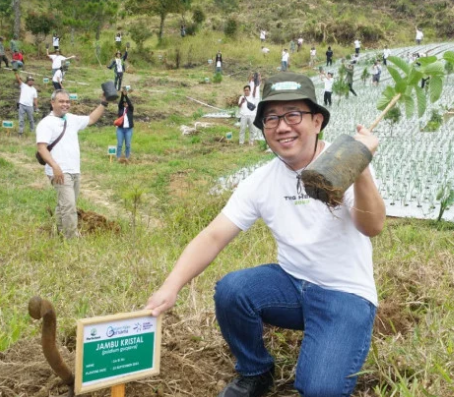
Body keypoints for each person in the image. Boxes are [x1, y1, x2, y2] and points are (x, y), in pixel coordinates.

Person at [145, 72, 384, 397]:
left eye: (293, 115)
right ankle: (255, 370)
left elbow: (373, 227)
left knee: (319, 390)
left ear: (317, 121)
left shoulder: (341, 165)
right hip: (291, 283)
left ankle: (332, 341)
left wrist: (362, 164)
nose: (282, 126)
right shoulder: (261, 181)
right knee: (233, 291)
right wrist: (170, 287)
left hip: (344, 294)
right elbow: (214, 235)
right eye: (271, 118)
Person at [36, 90, 108, 239]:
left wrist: (104, 102)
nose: (65, 104)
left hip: (74, 170)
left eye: (67, 102)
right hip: (60, 171)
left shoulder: (72, 119)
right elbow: (41, 148)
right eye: (61, 101)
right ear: (53, 103)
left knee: (65, 203)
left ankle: (58, 232)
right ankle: (72, 239)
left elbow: (91, 119)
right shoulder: (46, 123)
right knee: (69, 206)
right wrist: (55, 167)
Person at [14, 71, 38, 136]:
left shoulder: (34, 90)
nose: (31, 82)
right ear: (27, 81)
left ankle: (32, 131)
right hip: (22, 105)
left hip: (30, 106)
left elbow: (35, 99)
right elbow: (18, 79)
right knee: (21, 119)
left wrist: (36, 107)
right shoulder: (23, 86)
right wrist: (15, 73)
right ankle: (20, 132)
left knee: (31, 119)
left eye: (32, 80)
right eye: (30, 80)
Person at [115, 88, 134, 163]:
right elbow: (120, 102)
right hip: (120, 129)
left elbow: (130, 104)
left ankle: (127, 157)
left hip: (128, 130)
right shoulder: (120, 109)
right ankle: (118, 157)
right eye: (124, 103)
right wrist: (123, 94)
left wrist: (126, 96)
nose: (125, 103)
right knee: (119, 144)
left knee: (128, 144)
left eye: (126, 103)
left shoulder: (130, 109)